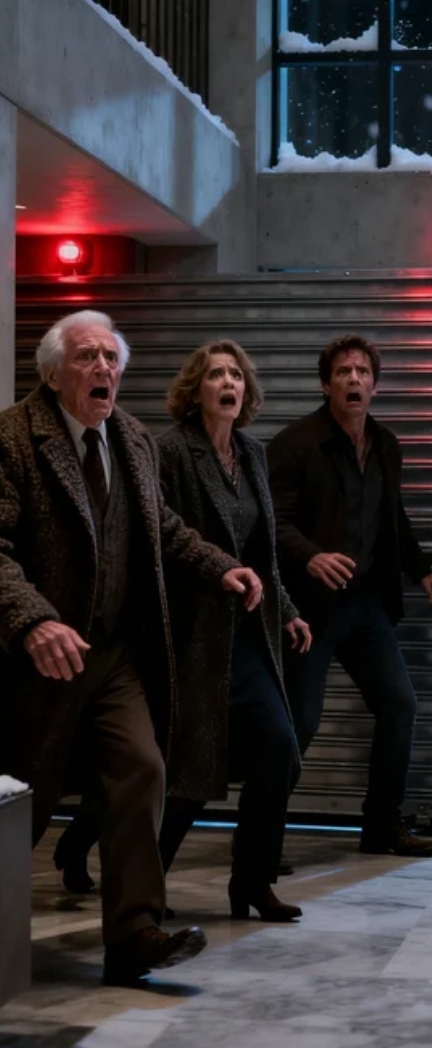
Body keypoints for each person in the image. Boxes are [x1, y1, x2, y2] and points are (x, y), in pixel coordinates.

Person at [0, 311, 263, 986]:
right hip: (36, 663)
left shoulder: (134, 439)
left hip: (112, 655)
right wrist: (32, 621)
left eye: (111, 358)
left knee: (142, 769)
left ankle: (133, 936)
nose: (103, 370)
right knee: (23, 802)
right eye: (87, 357)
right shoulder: (13, 438)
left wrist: (219, 567)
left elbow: (162, 528)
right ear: (52, 374)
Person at [52, 342, 312, 921]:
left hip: (245, 635)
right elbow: (157, 536)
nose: (229, 383)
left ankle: (252, 882)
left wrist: (289, 610)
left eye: (236, 375)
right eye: (216, 374)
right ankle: (114, 867)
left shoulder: (252, 453)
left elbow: (263, 552)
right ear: (196, 390)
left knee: (279, 751)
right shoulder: (169, 452)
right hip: (188, 636)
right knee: (187, 767)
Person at [268, 334, 432, 857]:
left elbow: (393, 517)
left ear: (374, 384)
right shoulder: (295, 444)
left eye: (362, 372)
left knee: (399, 705)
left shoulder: (386, 444)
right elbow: (271, 522)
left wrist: (421, 571)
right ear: (326, 384)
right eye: (343, 372)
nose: (353, 379)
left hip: (367, 604)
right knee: (300, 721)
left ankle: (381, 827)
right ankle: (263, 838)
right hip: (310, 609)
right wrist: (311, 556)